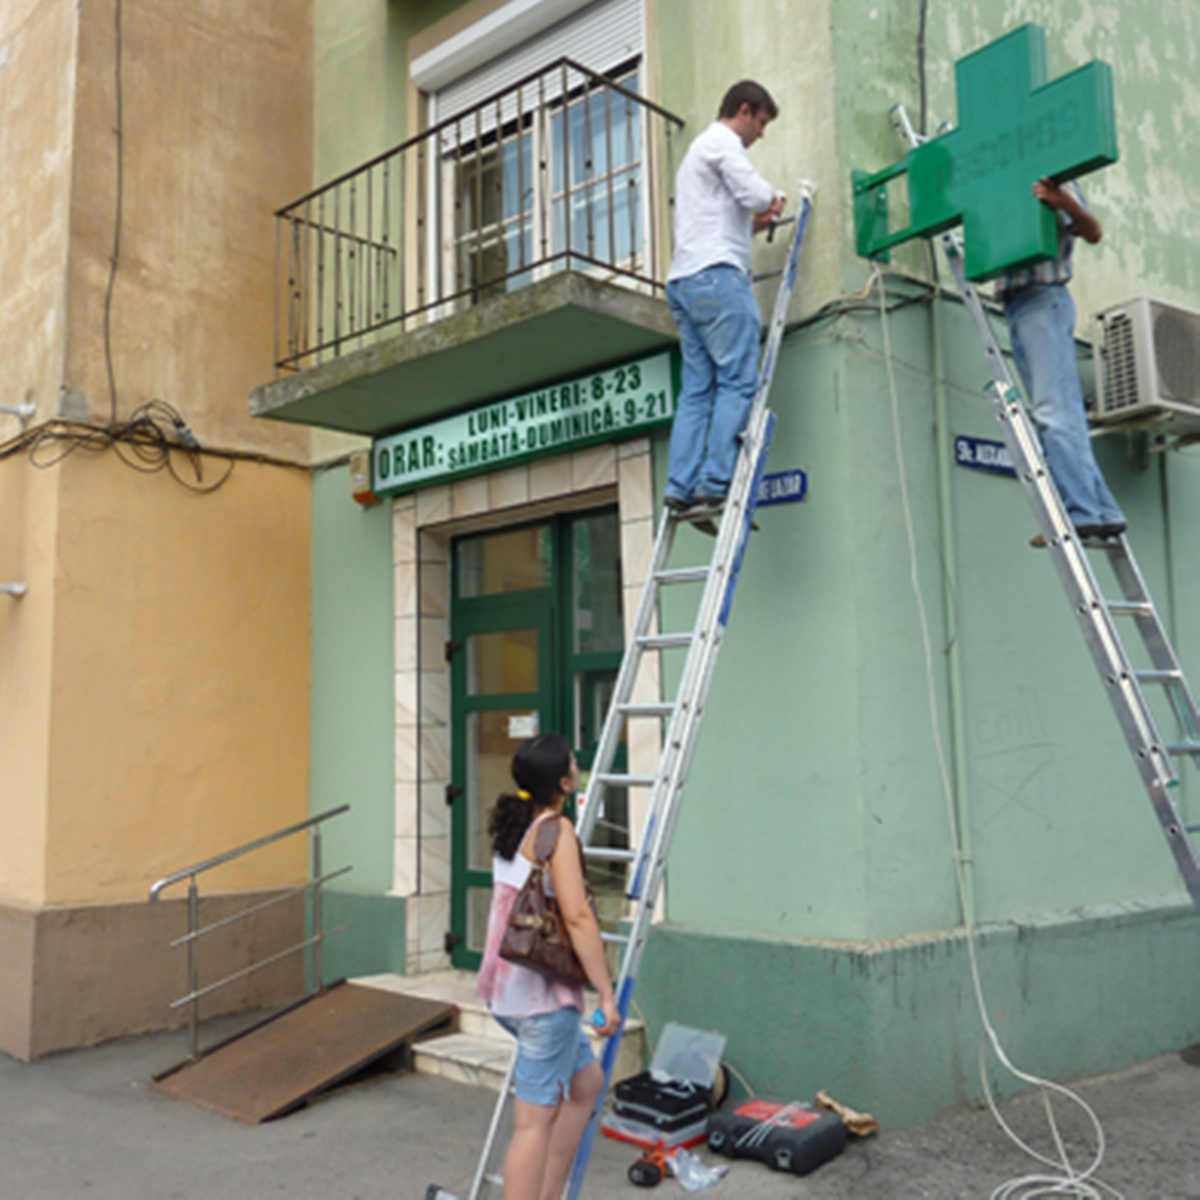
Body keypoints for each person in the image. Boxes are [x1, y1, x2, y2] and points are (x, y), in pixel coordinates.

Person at [477, 733, 620, 1200]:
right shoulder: (556, 831)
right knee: (533, 1123)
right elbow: (577, 917)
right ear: (563, 781)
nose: (577, 765)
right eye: (573, 763)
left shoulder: (513, 824)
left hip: (506, 992)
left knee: (587, 1082)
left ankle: (549, 1192)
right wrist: (607, 993)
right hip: (540, 1000)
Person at [662, 80, 786, 513]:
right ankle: (715, 482)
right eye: (762, 123)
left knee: (698, 389)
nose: (761, 134)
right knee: (738, 379)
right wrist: (776, 199)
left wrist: (756, 222)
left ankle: (680, 486)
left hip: (685, 281)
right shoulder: (723, 142)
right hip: (717, 277)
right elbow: (754, 194)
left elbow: (724, 222)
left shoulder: (698, 154)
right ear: (746, 110)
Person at [1000, 177, 1126, 544]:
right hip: (1017, 303)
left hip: (1043, 297)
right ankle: (1103, 510)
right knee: (1059, 413)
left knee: (1053, 413)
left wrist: (1059, 201)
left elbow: (1093, 230)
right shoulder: (1001, 180)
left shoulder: (1051, 172)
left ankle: (1080, 513)